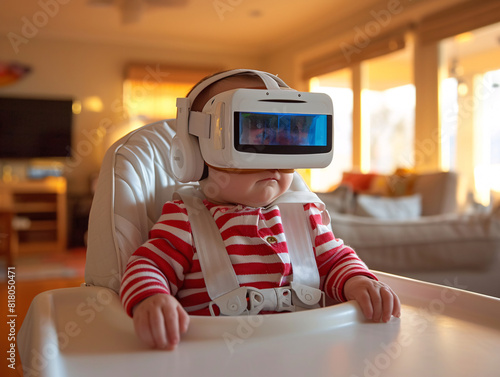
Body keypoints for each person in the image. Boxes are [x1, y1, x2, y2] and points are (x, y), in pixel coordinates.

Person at [120, 71, 401, 350]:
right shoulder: (185, 219)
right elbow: (148, 265)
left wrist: (358, 280)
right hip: (214, 357)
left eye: (287, 139)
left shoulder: (304, 215)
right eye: (255, 136)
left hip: (301, 353)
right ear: (197, 153)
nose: (273, 159)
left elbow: (335, 260)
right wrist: (151, 299)